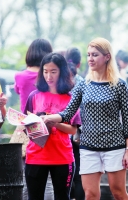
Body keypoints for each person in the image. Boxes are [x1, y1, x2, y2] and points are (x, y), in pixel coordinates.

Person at [42, 37, 128, 200]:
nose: (90, 59)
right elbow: (67, 114)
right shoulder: (83, 85)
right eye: (88, 55)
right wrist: (47, 118)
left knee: (118, 192)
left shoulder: (119, 85)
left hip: (114, 145)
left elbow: (127, 119)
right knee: (90, 194)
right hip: (88, 147)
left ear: (107, 57)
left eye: (95, 55)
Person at [24, 52, 81, 200]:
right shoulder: (34, 96)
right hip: (36, 156)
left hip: (63, 157)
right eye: (45, 71)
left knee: (62, 197)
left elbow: (73, 130)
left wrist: (54, 123)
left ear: (61, 72)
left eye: (53, 72)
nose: (49, 76)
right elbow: (25, 125)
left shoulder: (70, 98)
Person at [14, 38, 53, 200]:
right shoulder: (50, 76)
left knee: (26, 173)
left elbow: (18, 92)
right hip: (49, 125)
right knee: (49, 174)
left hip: (26, 127)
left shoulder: (20, 76)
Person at [65, 47, 85, 200]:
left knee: (66, 173)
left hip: (63, 133)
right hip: (78, 133)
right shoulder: (83, 83)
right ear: (79, 65)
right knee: (79, 173)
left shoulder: (59, 86)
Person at [14, 38, 53, 112]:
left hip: (26, 121)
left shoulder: (19, 76)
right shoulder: (52, 76)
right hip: (49, 120)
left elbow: (17, 91)